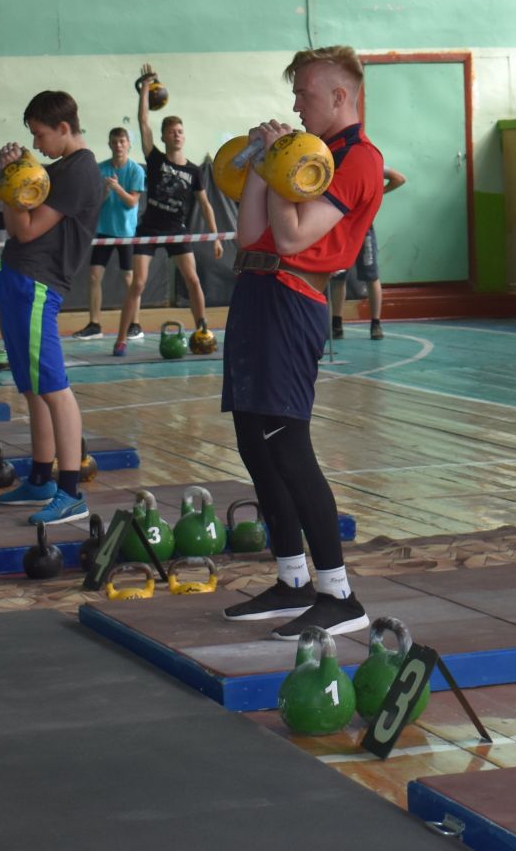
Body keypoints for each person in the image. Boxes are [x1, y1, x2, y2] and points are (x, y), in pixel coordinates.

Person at [222, 46, 385, 640]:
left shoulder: (360, 160)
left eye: (305, 95)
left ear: (340, 97)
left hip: (294, 300)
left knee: (287, 445)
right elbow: (249, 232)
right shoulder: (305, 155)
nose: (295, 104)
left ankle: (338, 593)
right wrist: (268, 161)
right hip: (257, 292)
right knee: (253, 442)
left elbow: (291, 237)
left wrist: (280, 161)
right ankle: (291, 579)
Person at [0, 91, 105, 526]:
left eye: (40, 135)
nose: (38, 144)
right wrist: (10, 173)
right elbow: (19, 212)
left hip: (38, 284)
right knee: (33, 386)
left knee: (54, 388)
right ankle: (40, 476)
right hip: (19, 280)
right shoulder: (56, 169)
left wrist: (11, 180)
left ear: (63, 127)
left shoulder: (79, 171)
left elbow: (26, 229)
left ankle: (71, 491)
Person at [113, 63, 223, 358]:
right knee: (137, 283)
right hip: (149, 228)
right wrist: (146, 89)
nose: (176, 135)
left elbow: (205, 204)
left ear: (184, 136)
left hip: (176, 230)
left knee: (194, 280)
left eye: (180, 131)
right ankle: (121, 338)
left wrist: (215, 237)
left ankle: (202, 328)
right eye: (171, 131)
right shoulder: (155, 159)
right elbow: (142, 121)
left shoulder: (194, 171)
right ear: (163, 137)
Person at [75, 127, 146, 339]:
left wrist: (117, 188)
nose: (118, 146)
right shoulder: (100, 169)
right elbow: (93, 203)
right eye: (114, 142)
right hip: (103, 231)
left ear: (128, 144)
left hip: (125, 232)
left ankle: (135, 324)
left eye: (122, 141)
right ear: (109, 144)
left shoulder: (136, 171)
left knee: (129, 279)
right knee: (94, 276)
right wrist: (105, 191)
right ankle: (94, 324)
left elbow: (132, 202)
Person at [334, 167, 405, 341]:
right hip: (341, 229)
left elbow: (399, 178)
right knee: (338, 276)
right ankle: (336, 324)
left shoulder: (369, 163)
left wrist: (379, 193)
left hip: (363, 229)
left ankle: (376, 323)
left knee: (371, 275)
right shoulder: (339, 161)